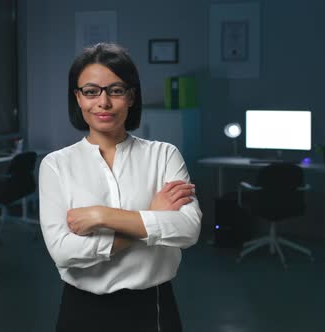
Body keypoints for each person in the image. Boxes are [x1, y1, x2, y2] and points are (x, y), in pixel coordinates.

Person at [39, 43, 202, 332]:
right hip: (81, 310)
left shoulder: (164, 155)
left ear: (131, 96)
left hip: (153, 307)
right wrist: (151, 216)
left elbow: (188, 231)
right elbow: (63, 252)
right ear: (78, 98)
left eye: (115, 90)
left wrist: (102, 216)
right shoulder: (55, 165)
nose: (103, 102)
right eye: (90, 91)